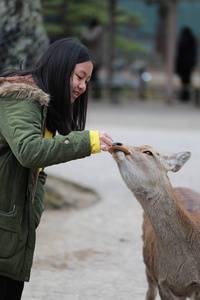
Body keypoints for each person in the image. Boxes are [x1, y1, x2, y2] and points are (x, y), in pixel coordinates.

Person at [0, 38, 113, 299]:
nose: (83, 86)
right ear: (61, 68)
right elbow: (30, 151)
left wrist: (34, 207)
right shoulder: (20, 98)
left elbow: (37, 166)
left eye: (87, 81)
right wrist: (87, 140)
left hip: (11, 228)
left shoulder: (43, 107)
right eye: (79, 77)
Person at [81, 18, 103, 99]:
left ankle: (96, 95)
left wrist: (84, 33)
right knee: (92, 76)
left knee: (93, 76)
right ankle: (95, 94)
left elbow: (90, 38)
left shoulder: (97, 30)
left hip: (95, 57)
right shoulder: (97, 30)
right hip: (93, 56)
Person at [175, 27, 198, 101]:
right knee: (187, 80)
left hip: (183, 63)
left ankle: (185, 95)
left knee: (184, 80)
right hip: (189, 63)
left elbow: (180, 52)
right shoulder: (192, 40)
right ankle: (186, 94)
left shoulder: (183, 40)